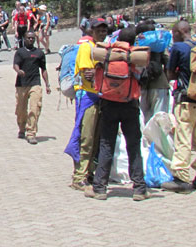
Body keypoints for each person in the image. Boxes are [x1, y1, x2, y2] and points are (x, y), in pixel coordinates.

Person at [84, 27, 149, 201]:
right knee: (133, 146)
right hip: (130, 105)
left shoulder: (108, 55)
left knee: (106, 145)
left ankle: (100, 188)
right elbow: (144, 76)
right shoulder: (134, 57)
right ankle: (139, 189)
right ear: (133, 40)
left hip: (109, 105)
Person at [161, 20, 196, 193]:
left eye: (173, 33)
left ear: (179, 32)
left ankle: (181, 178)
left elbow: (171, 73)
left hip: (186, 101)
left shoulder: (179, 48)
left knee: (183, 141)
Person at [67, 18, 108, 190]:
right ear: (91, 30)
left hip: (99, 97)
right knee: (86, 137)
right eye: (99, 29)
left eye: (105, 29)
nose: (102, 32)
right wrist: (103, 68)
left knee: (97, 138)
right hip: (88, 97)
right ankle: (79, 177)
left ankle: (90, 172)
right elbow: (88, 74)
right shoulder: (87, 47)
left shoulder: (103, 48)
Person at [14, 31, 51, 145]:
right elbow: (15, 65)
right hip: (22, 84)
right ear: (24, 39)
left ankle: (31, 133)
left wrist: (47, 84)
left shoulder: (39, 53)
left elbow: (43, 69)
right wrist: (18, 71)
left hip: (35, 83)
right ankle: (22, 127)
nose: (30, 40)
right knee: (21, 110)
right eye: (28, 38)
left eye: (32, 38)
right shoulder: (20, 52)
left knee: (35, 108)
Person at [135, 20, 170, 123]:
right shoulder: (160, 44)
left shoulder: (136, 44)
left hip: (140, 84)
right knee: (159, 120)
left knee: (142, 119)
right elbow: (167, 62)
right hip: (160, 84)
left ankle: (145, 139)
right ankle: (156, 139)